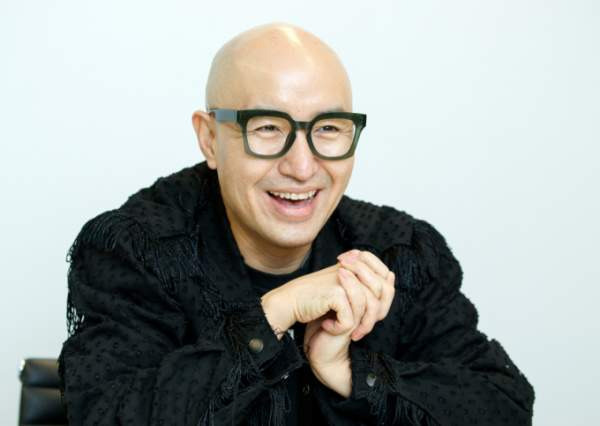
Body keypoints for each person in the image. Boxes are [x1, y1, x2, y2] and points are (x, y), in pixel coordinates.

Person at [57, 22, 535, 425]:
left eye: (327, 128)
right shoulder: (136, 248)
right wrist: (273, 315)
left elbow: (502, 405)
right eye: (267, 127)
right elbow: (105, 414)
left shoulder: (398, 252)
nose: (303, 168)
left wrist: (348, 373)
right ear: (209, 139)